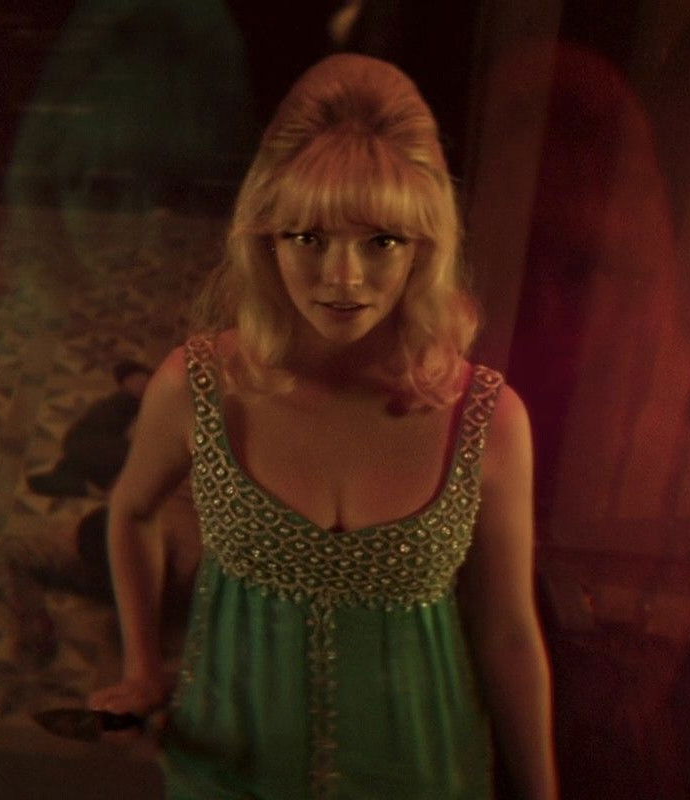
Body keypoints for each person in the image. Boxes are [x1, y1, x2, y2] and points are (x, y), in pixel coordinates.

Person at [88, 53, 556, 799]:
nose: (343, 278)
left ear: (425, 248)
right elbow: (131, 512)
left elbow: (508, 632)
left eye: (381, 240)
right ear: (265, 239)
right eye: (309, 238)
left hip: (424, 775)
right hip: (227, 770)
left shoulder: (489, 420)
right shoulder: (198, 386)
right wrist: (142, 669)